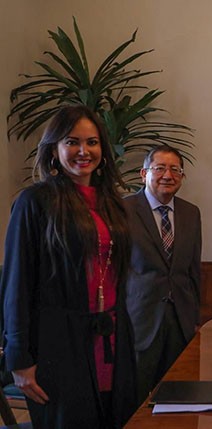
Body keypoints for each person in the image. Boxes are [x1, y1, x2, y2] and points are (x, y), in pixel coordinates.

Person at [0, 105, 137, 427]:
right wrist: (19, 359)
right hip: (58, 345)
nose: (83, 151)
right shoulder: (34, 201)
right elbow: (17, 283)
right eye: (72, 142)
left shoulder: (113, 203)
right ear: (54, 149)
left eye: (92, 142)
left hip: (112, 339)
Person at [124, 145, 202, 405]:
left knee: (180, 398)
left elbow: (193, 269)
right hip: (139, 321)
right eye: (160, 168)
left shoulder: (191, 213)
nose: (168, 175)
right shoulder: (123, 210)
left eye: (175, 170)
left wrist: (195, 318)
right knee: (134, 401)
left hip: (180, 322)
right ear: (143, 173)